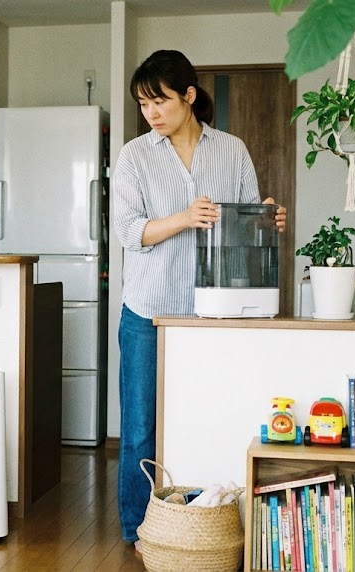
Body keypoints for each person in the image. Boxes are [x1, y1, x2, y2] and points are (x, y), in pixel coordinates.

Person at [111, 49, 287, 549]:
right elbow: (128, 232)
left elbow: (248, 215)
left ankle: (207, 523)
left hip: (214, 312)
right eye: (144, 104)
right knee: (140, 427)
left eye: (160, 101)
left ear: (189, 96)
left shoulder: (231, 149)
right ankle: (135, 531)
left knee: (209, 413)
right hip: (149, 309)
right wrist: (185, 218)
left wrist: (267, 219)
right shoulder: (135, 155)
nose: (151, 113)